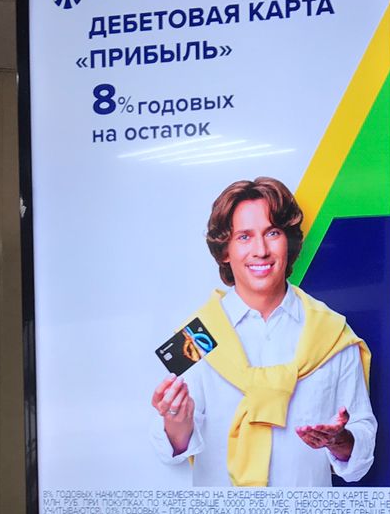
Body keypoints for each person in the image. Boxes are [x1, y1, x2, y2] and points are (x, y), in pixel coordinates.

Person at [150, 177, 377, 488]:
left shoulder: (333, 333)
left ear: (289, 242)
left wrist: (340, 440)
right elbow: (169, 451)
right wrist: (176, 421)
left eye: (273, 233)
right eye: (244, 236)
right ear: (225, 251)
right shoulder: (194, 335)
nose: (260, 250)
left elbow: (362, 447)